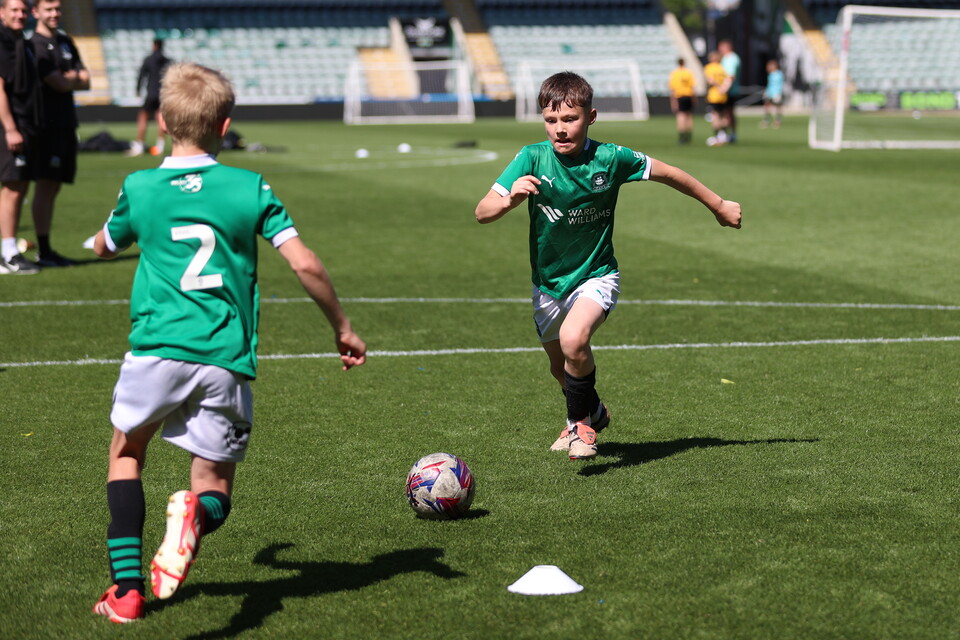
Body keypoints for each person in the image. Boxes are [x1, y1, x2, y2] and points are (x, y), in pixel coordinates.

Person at [90, 62, 366, 624]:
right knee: (213, 488)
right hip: (225, 360)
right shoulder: (249, 187)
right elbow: (305, 263)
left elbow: (105, 244)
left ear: (164, 121)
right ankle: (195, 513)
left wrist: (97, 239)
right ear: (226, 124)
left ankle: (125, 592)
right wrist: (341, 326)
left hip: (155, 350)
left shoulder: (140, 187)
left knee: (126, 455)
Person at [474, 72, 741, 460]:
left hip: (597, 276)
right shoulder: (531, 157)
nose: (560, 130)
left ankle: (580, 429)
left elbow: (669, 173)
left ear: (591, 116)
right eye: (551, 121)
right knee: (560, 369)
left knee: (574, 341)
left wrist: (717, 205)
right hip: (548, 284)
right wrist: (510, 199)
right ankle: (592, 411)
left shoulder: (611, 158)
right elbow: (482, 212)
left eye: (570, 120)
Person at [30, 0, 89, 267]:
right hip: (46, 126)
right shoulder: (35, 45)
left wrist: (70, 78)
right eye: (48, 9)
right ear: (36, 13)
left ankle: (47, 249)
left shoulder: (65, 40)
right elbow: (59, 82)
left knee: (54, 186)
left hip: (67, 122)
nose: (54, 14)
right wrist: (70, 78)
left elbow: (86, 79)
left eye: (57, 9)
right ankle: (43, 250)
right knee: (45, 184)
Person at [0, 0, 39, 274]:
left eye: (23, 10)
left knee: (20, 185)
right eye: (13, 10)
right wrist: (10, 127)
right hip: (9, 126)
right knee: (13, 187)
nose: (19, 15)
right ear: (1, 12)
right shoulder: (2, 41)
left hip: (24, 124)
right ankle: (8, 253)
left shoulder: (20, 41)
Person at [128, 38, 169, 157]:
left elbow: (141, 76)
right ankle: (159, 146)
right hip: (162, 94)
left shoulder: (149, 59)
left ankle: (139, 145)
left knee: (143, 117)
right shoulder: (167, 61)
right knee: (160, 119)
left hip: (151, 93)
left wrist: (138, 89)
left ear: (154, 45)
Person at [703, 51, 729, 146]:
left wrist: (718, 86)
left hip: (714, 95)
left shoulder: (709, 67)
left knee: (715, 116)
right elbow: (727, 80)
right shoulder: (722, 68)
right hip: (723, 96)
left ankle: (717, 136)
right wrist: (723, 88)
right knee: (723, 116)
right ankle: (724, 135)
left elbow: (710, 80)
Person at [667, 57, 696, 145]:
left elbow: (673, 89)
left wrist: (673, 101)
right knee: (689, 116)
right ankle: (689, 136)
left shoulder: (674, 74)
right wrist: (694, 98)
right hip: (688, 95)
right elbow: (692, 86)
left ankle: (682, 137)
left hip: (679, 96)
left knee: (681, 116)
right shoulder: (688, 73)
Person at [718, 39, 741, 143]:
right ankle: (727, 134)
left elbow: (730, 76)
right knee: (726, 113)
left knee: (727, 113)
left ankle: (728, 134)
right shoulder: (725, 58)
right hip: (726, 90)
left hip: (729, 91)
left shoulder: (732, 59)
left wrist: (724, 89)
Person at [761, 58, 784, 129]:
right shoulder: (770, 75)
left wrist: (779, 93)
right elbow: (770, 85)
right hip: (769, 93)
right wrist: (766, 91)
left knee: (777, 107)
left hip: (776, 93)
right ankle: (767, 119)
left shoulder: (779, 74)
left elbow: (779, 85)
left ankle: (778, 120)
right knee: (767, 106)